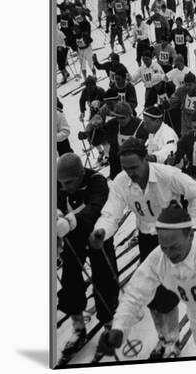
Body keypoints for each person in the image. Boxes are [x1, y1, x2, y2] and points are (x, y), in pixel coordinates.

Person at [98, 201, 196, 358]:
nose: (169, 253)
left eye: (174, 246)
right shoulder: (159, 258)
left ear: (190, 235)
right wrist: (119, 327)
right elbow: (135, 294)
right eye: (164, 246)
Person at [90, 138, 196, 358]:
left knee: (168, 293)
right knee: (151, 293)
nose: (130, 173)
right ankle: (162, 338)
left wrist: (190, 227)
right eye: (125, 168)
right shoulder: (121, 182)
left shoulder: (167, 175)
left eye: (134, 167)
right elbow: (110, 213)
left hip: (171, 239)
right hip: (147, 238)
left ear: (146, 160)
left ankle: (172, 340)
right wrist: (101, 231)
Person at [57, 153, 119, 360]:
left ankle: (109, 324)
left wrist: (72, 220)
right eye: (61, 183)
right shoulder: (58, 185)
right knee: (69, 280)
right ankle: (78, 327)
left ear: (81, 174)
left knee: (105, 280)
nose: (65, 187)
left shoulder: (97, 182)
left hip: (97, 235)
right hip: (73, 239)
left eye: (69, 182)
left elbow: (96, 208)